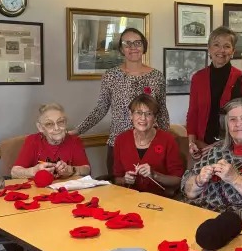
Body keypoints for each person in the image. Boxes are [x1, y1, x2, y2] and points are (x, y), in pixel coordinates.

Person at [72, 27, 169, 176]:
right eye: (127, 43)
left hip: (151, 143)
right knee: (119, 186)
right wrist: (78, 131)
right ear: (121, 49)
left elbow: (162, 110)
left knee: (151, 185)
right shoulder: (111, 76)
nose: (132, 47)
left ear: (144, 46)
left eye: (137, 43)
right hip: (118, 143)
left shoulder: (156, 76)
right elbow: (101, 108)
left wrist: (167, 139)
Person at [181, 97, 242, 221]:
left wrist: (235, 178)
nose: (238, 124)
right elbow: (187, 190)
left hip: (235, 220)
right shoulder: (217, 150)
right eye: (232, 119)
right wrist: (198, 180)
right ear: (226, 125)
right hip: (197, 212)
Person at [186, 27, 242, 158]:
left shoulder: (241, 78)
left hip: (231, 147)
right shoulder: (198, 78)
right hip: (202, 146)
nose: (221, 50)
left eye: (226, 46)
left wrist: (221, 145)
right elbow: (193, 112)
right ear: (209, 49)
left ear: (233, 51)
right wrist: (191, 143)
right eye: (216, 45)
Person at [113, 95, 184, 197]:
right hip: (129, 198)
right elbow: (117, 179)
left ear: (155, 118)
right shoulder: (121, 140)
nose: (143, 118)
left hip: (159, 199)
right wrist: (125, 180)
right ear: (131, 115)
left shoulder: (168, 140)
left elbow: (178, 180)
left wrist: (155, 175)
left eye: (149, 114)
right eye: (138, 112)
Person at [12, 103, 90, 179]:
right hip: (39, 187)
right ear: (40, 127)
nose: (56, 128)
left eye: (60, 122)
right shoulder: (32, 141)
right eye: (49, 124)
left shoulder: (74, 141)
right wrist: (34, 171)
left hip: (67, 187)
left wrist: (71, 170)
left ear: (66, 123)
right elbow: (14, 172)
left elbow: (86, 170)